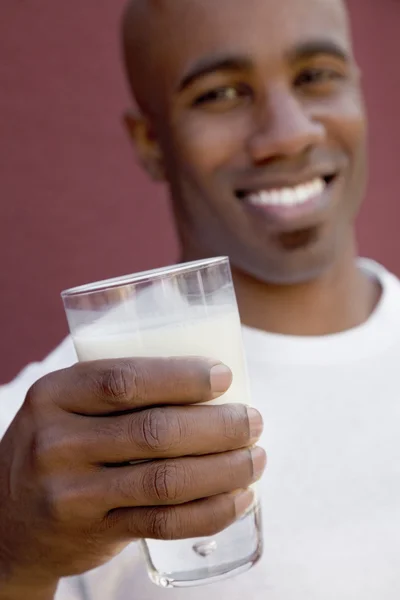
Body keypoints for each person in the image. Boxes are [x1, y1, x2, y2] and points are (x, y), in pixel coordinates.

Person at [1, 0, 400, 598]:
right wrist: (14, 559)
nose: (289, 134)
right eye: (221, 94)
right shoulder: (50, 445)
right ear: (150, 141)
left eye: (316, 75)